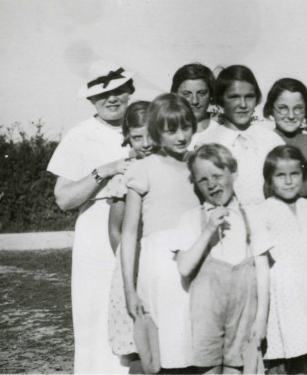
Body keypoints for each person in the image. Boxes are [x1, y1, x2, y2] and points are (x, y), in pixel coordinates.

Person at [47, 60, 136, 374]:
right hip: (97, 233)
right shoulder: (80, 135)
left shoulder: (144, 125)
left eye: (118, 91)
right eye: (102, 95)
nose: (111, 99)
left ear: (130, 91)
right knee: (96, 319)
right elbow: (64, 198)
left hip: (141, 225)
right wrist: (106, 170)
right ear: (90, 100)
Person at [175, 143, 272, 374]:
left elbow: (263, 272)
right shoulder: (191, 220)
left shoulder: (251, 216)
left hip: (244, 315)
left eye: (217, 175)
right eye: (203, 180)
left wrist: (261, 319)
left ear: (234, 173)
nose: (212, 184)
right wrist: (208, 230)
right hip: (206, 316)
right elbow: (184, 267)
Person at [120, 94, 199, 371]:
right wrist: (129, 289)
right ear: (156, 131)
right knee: (163, 353)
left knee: (195, 349)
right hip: (160, 270)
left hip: (195, 262)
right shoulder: (143, 169)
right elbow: (129, 234)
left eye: (186, 127)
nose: (181, 136)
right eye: (171, 130)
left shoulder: (198, 164)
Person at [257, 146, 307, 374]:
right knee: (286, 352)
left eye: (294, 174)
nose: (288, 181)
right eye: (280, 175)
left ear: (304, 174)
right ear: (269, 179)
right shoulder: (264, 210)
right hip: (283, 290)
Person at [193, 65, 285, 206]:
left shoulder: (271, 140)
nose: (243, 104)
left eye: (249, 97)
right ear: (221, 99)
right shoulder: (207, 143)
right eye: (234, 97)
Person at [107, 101, 155, 370]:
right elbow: (115, 228)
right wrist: (130, 266)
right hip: (134, 267)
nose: (145, 143)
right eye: (138, 137)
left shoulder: (170, 165)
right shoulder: (125, 173)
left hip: (163, 262)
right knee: (138, 342)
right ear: (128, 137)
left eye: (151, 135)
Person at [264, 78, 307, 202]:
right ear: (271, 108)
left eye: (298, 108)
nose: (291, 116)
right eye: (283, 108)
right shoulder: (265, 140)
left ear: (306, 110)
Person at [171, 63, 218, 142]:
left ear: (211, 94)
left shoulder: (224, 129)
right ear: (175, 95)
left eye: (201, 93)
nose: (195, 101)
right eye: (186, 94)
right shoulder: (165, 131)